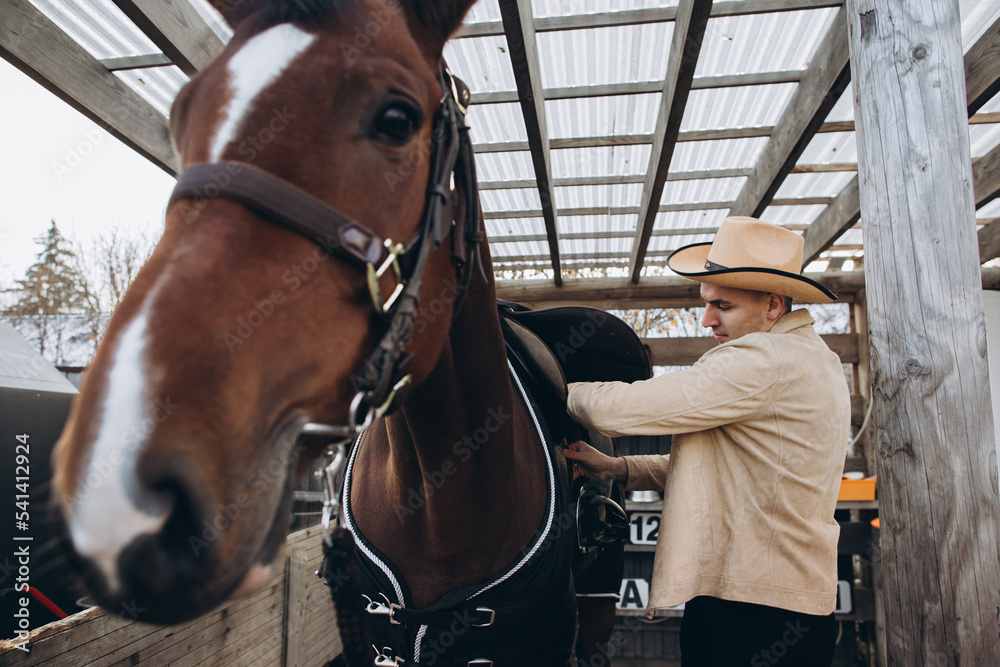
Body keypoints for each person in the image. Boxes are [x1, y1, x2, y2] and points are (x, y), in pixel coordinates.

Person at [564, 216, 851, 667]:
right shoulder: (817, 359)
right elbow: (741, 468)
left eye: (723, 305)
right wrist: (622, 469)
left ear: (773, 306)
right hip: (794, 605)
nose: (706, 319)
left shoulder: (762, 360)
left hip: (749, 612)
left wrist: (555, 386)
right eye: (705, 302)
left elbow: (618, 410)